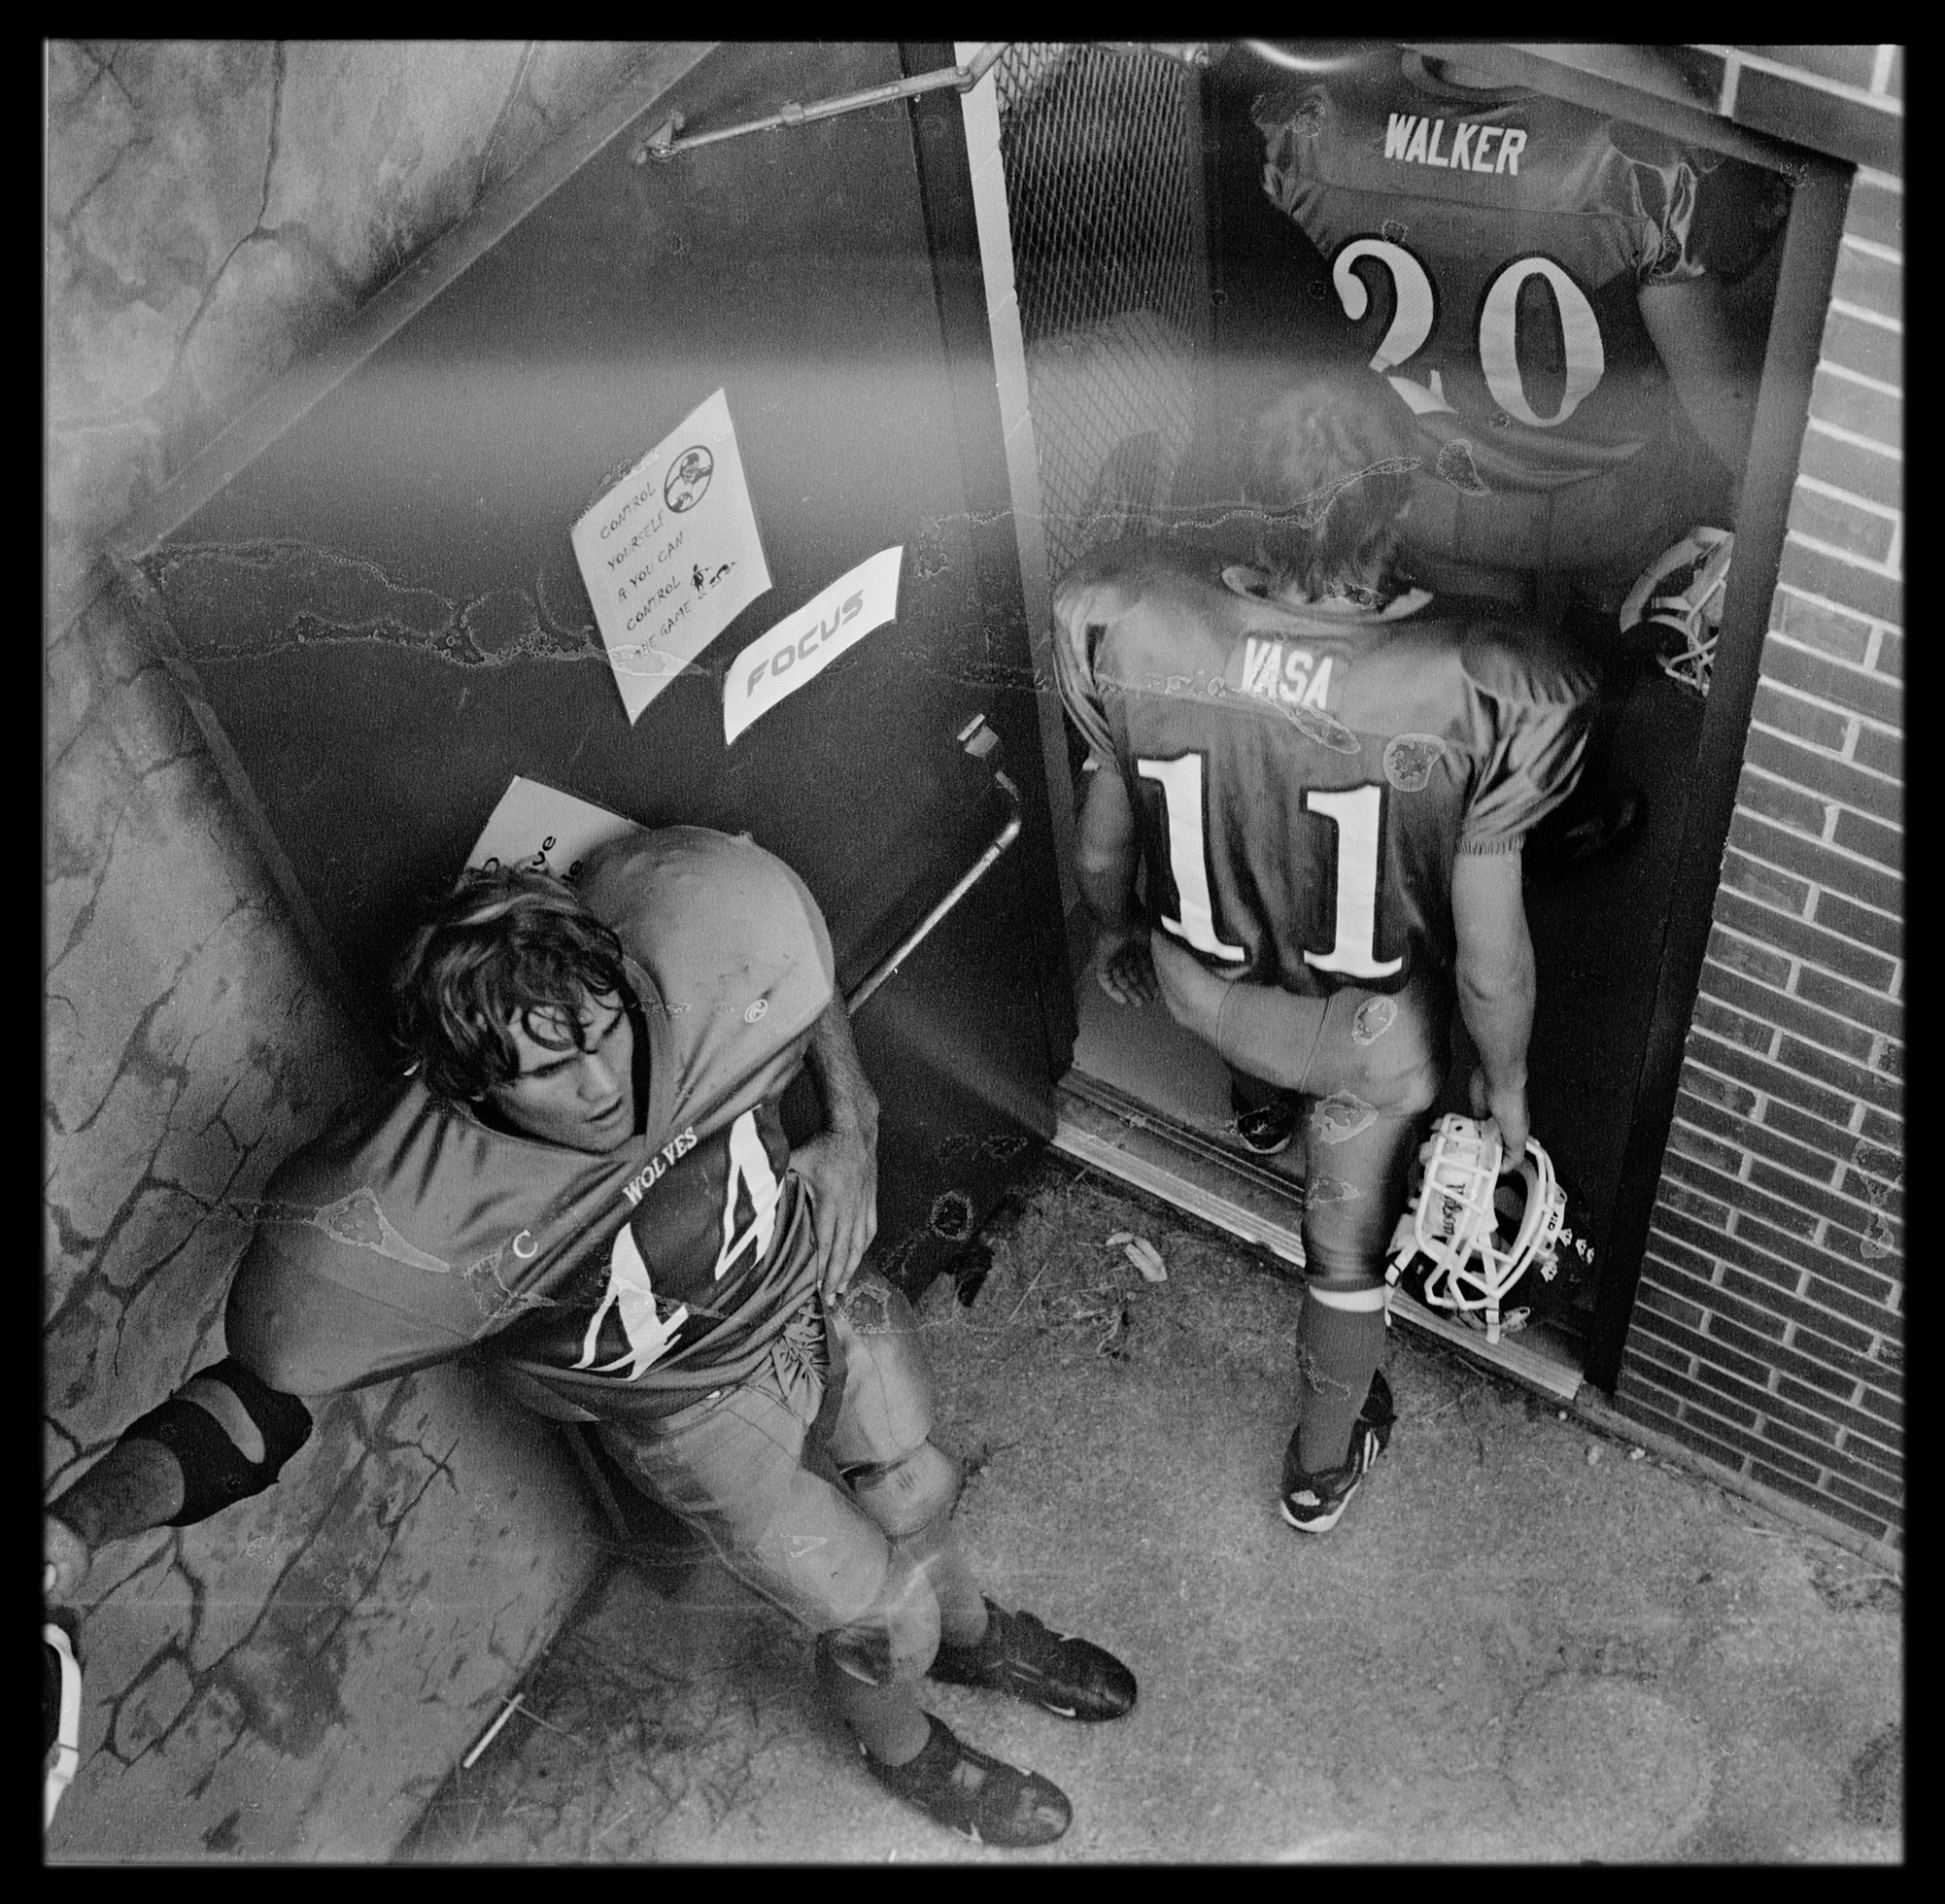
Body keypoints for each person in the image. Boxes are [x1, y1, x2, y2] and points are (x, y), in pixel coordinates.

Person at [44, 828, 1135, 1849]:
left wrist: (854, 1122)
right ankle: (911, 1752)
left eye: (606, 1025)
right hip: (691, 1407)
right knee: (873, 1618)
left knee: (920, 1488)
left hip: (810, 1280)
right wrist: (80, 1526)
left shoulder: (692, 955)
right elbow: (253, 1403)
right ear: (470, 1088)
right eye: (549, 1069)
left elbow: (784, 965)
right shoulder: (415, 1221)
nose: (606, 1082)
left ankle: (977, 1634)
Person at [1054, 364, 1593, 1534]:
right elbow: (1492, 962)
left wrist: (1115, 928)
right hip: (1362, 1047)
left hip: (1204, 992)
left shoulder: (1131, 615)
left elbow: (1105, 849)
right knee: (1342, 1239)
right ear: (1396, 509)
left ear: (1246, 499)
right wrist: (1505, 1091)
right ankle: (1316, 1460)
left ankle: (1254, 1104)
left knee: (1247, 923)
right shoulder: (1481, 681)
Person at [1245, 44, 1787, 881]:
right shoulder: (1632, 150)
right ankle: (1567, 804)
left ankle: (1462, 808)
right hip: (1604, 505)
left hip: (1420, 492)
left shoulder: (1311, 121)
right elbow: (1722, 405)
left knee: (1466, 661)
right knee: (1593, 656)